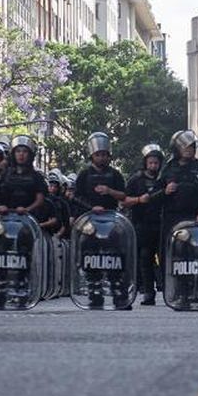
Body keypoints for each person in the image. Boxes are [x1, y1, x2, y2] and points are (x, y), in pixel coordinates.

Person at [72, 132, 129, 309]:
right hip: (90, 222)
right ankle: (94, 294)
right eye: (98, 154)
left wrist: (110, 191)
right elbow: (75, 197)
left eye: (104, 154)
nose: (102, 157)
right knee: (90, 257)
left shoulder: (115, 175)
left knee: (115, 257)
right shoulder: (84, 175)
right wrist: (91, 208)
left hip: (111, 221)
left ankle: (119, 293)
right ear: (92, 156)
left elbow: (124, 196)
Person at [159, 130, 198, 306]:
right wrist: (165, 190)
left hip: (196, 218)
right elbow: (156, 193)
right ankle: (180, 293)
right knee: (177, 256)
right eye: (185, 147)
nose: (189, 150)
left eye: (192, 147)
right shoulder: (168, 168)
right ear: (176, 148)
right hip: (173, 219)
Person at [122, 143, 167, 305]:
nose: (153, 166)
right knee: (144, 258)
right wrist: (139, 200)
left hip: (162, 224)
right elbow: (124, 201)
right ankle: (148, 292)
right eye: (151, 163)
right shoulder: (136, 179)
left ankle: (171, 291)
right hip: (142, 224)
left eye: (156, 162)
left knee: (166, 258)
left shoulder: (164, 179)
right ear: (145, 163)